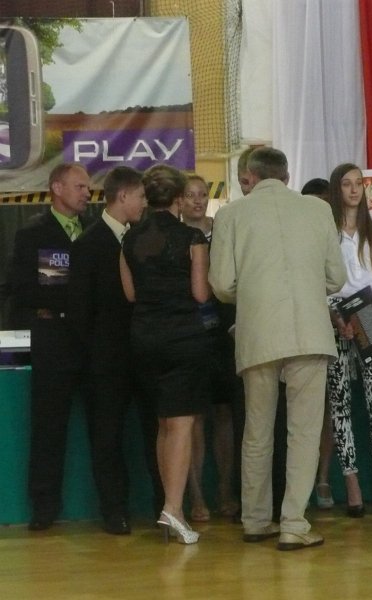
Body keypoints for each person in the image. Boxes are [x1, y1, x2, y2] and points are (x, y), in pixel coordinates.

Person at [209, 147, 346, 550]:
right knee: (303, 432)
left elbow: (221, 284)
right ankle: (293, 523)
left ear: (250, 177)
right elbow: (336, 278)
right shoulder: (318, 210)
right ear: (287, 176)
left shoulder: (231, 214)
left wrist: (254, 292)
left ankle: (255, 519)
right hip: (309, 331)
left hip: (258, 331)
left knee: (257, 429)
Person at [120, 164, 213, 544]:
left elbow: (130, 294)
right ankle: (173, 509)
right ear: (177, 198)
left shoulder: (129, 239)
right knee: (182, 425)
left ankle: (168, 506)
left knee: (162, 424)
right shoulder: (192, 237)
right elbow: (201, 294)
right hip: (182, 338)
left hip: (143, 338)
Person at [68, 165, 163, 534]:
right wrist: (98, 357)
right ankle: (115, 511)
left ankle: (165, 507)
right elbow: (80, 312)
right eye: (140, 196)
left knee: (158, 432)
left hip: (147, 354)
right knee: (107, 438)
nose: (144, 203)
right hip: (106, 363)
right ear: (123, 196)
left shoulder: (147, 239)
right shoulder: (88, 245)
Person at [9, 163, 92, 531]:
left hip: (90, 339)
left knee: (104, 425)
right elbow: (24, 288)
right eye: (79, 186)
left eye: (88, 187)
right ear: (57, 188)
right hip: (52, 339)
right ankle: (44, 505)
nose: (87, 193)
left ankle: (112, 506)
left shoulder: (94, 231)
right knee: (48, 427)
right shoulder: (33, 234)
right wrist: (68, 294)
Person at [326, 163, 372, 517]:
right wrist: (333, 316)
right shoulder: (326, 229)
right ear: (336, 188)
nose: (354, 190)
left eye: (359, 183)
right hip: (336, 315)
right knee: (339, 401)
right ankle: (352, 481)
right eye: (347, 184)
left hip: (371, 315)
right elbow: (320, 279)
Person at [180, 174, 239, 522]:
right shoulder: (174, 236)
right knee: (193, 418)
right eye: (190, 195)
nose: (198, 201)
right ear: (179, 200)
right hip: (189, 333)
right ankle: (196, 496)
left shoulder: (222, 231)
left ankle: (225, 491)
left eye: (203, 194)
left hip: (223, 334)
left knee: (224, 414)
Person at [299, 177, 337, 510]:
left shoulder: (351, 233)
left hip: (352, 327)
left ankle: (324, 477)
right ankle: (298, 485)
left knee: (331, 410)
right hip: (307, 330)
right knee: (303, 413)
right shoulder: (297, 238)